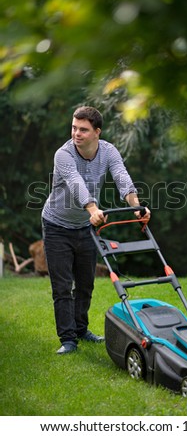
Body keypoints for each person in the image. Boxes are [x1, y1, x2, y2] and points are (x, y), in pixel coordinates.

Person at [42, 106, 150, 355]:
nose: (76, 134)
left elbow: (122, 177)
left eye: (83, 129)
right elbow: (75, 183)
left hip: (85, 228)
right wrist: (92, 209)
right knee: (62, 287)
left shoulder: (109, 151)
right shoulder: (64, 154)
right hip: (57, 225)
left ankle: (81, 329)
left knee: (85, 284)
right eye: (73, 128)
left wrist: (137, 207)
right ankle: (68, 339)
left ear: (97, 132)